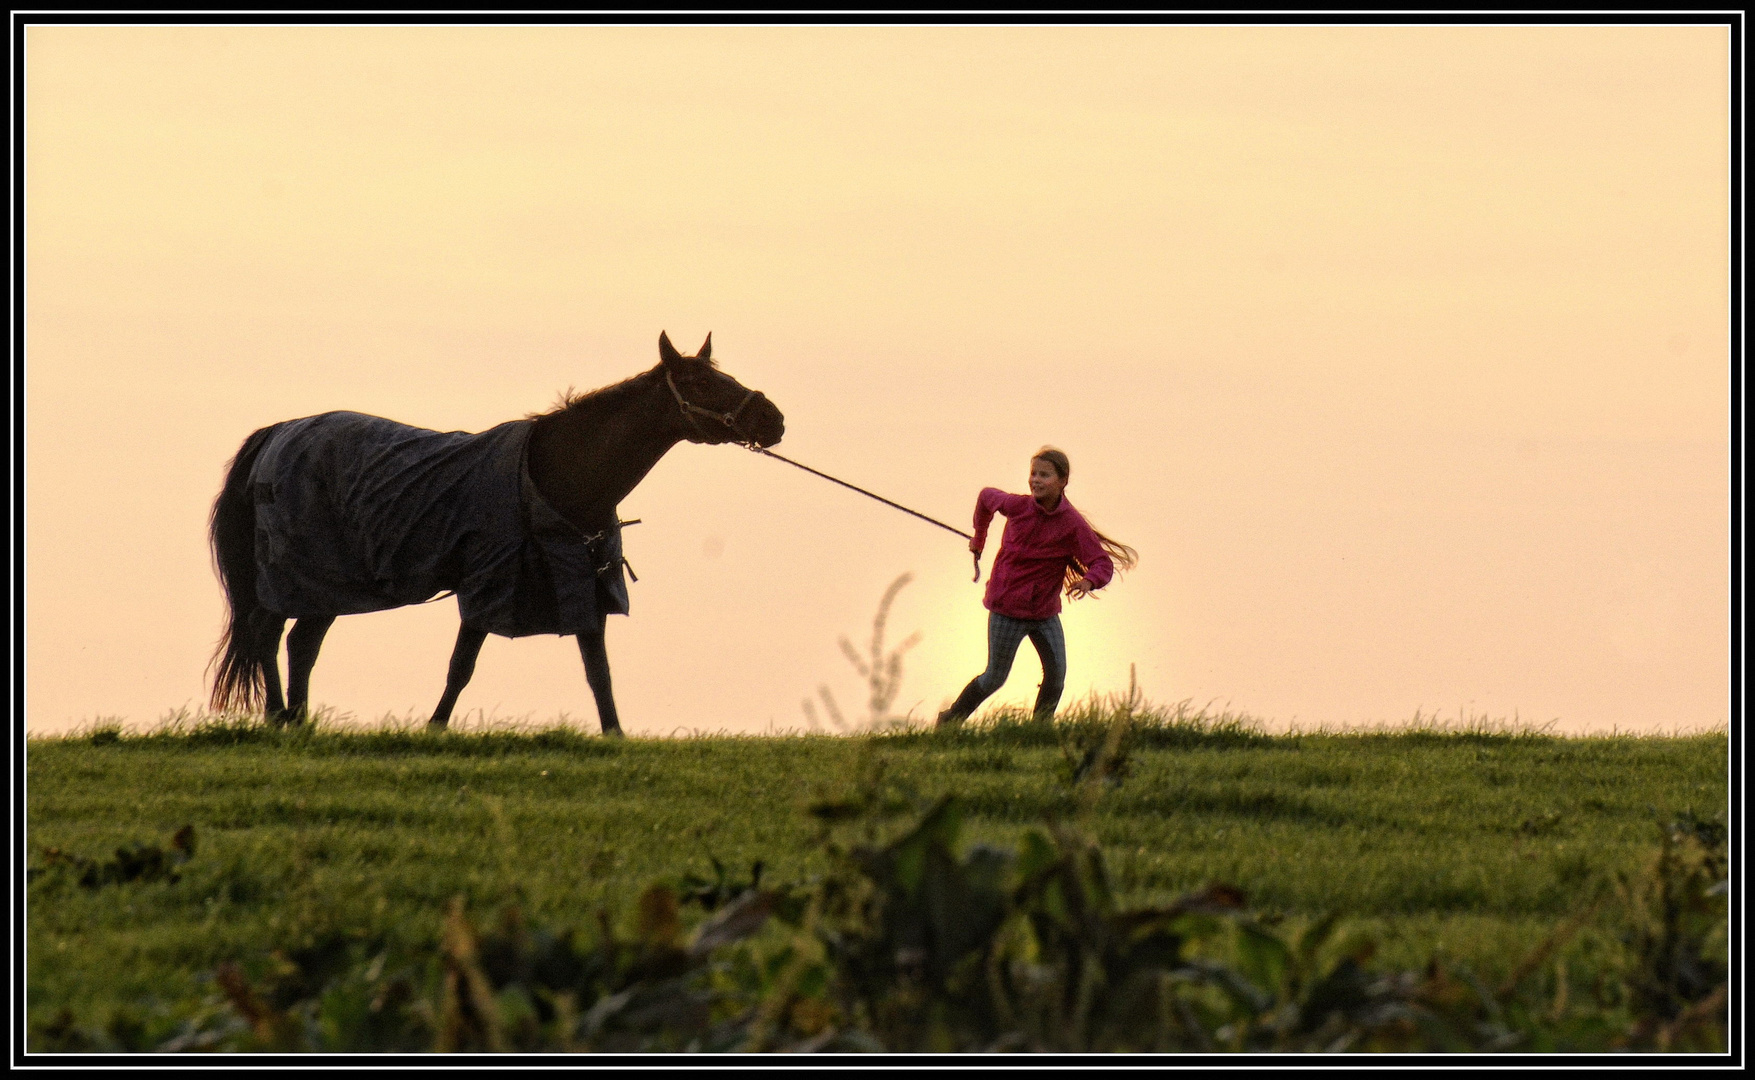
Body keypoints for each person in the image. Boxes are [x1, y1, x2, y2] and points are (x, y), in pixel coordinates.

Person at [937, 447, 1138, 728]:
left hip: (1044, 614)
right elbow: (986, 498)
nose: (1036, 480)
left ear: (1063, 481)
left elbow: (1101, 562)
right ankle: (949, 720)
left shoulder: (1072, 524)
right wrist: (979, 538)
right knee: (995, 676)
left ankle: (1039, 730)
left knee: (1056, 677)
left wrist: (1089, 580)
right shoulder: (1017, 506)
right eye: (1033, 474)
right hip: (1006, 610)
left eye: (1045, 475)